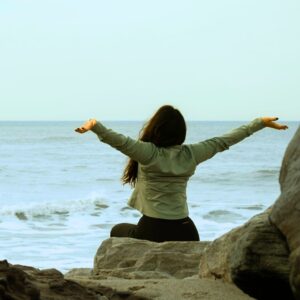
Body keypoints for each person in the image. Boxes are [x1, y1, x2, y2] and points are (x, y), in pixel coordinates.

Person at [75, 105, 288, 243]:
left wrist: (95, 126)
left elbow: (119, 141)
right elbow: (225, 140)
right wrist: (259, 123)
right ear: (181, 132)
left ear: (156, 129)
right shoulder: (192, 154)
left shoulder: (148, 153)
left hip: (152, 231)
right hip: (187, 231)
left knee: (116, 230)